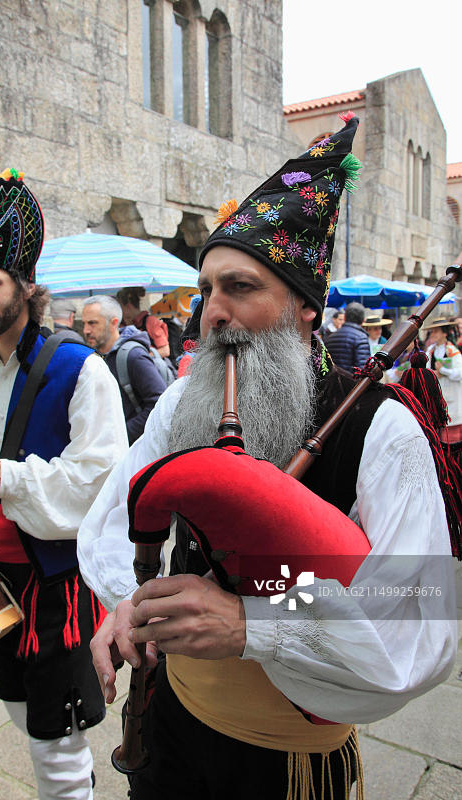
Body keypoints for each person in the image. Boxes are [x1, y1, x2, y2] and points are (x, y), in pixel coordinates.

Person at [77, 116, 456, 800]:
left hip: (282, 759)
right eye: (207, 291)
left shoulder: (381, 429)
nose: (210, 314)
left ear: (304, 309)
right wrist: (121, 602)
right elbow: (118, 507)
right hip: (169, 724)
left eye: (241, 288)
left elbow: (423, 623)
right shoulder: (180, 405)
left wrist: (257, 625)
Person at [0, 169, 128, 800]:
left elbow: (99, 480)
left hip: (55, 583)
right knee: (21, 711)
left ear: (25, 286)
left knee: (57, 739)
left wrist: (7, 476)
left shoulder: (81, 367)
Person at [82, 295, 167, 444]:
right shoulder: (96, 357)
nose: (86, 330)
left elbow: (159, 404)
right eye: (84, 324)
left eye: (92, 323)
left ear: (114, 323)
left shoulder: (133, 356)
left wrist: (121, 435)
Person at [424, 317, 462, 437]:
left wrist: (443, 370)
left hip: (452, 400)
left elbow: (460, 373)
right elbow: (425, 369)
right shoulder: (430, 351)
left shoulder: (452, 351)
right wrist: (432, 374)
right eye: (432, 331)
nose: (433, 334)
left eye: (436, 331)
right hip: (437, 398)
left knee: (451, 435)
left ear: (444, 333)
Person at [116, 286, 171, 358]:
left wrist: (141, 359)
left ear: (128, 306)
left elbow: (165, 351)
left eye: (120, 308)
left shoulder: (150, 322)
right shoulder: (123, 324)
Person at [325, 302, 370, 372]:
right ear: (363, 320)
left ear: (345, 317)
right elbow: (363, 369)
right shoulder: (361, 338)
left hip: (333, 381)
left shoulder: (330, 338)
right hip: (353, 382)